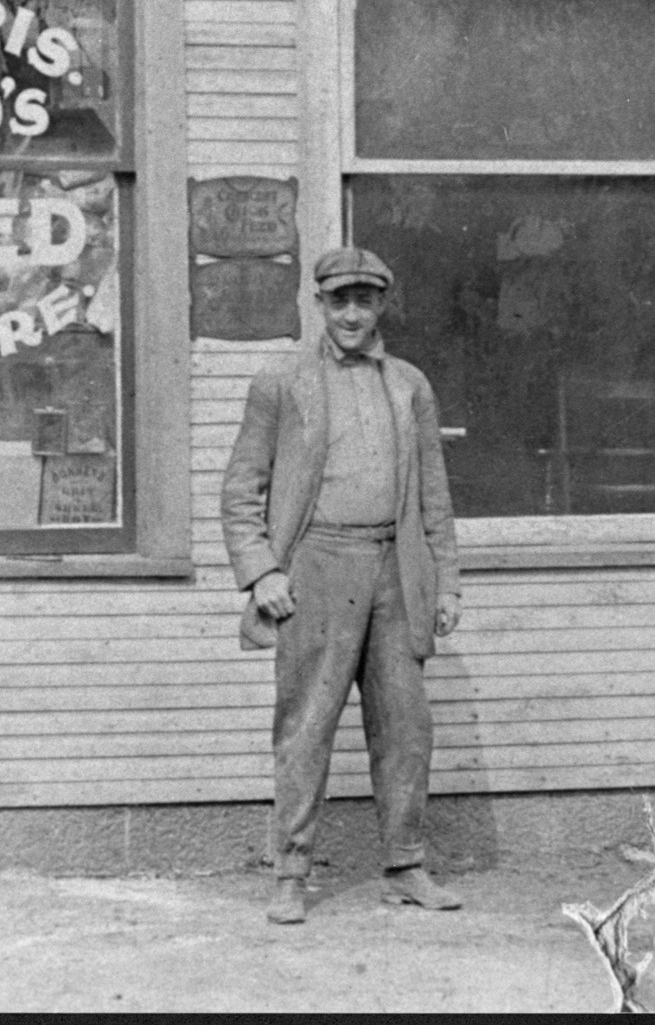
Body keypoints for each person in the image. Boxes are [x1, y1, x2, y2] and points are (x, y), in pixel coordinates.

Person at [220, 247, 463, 925]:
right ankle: (291, 874)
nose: (352, 315)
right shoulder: (281, 382)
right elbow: (241, 489)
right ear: (319, 304)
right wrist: (262, 571)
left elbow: (435, 494)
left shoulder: (409, 384)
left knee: (406, 727)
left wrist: (446, 582)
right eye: (339, 301)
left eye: (365, 300)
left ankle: (405, 866)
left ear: (382, 304)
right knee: (306, 726)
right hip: (318, 567)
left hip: (395, 569)